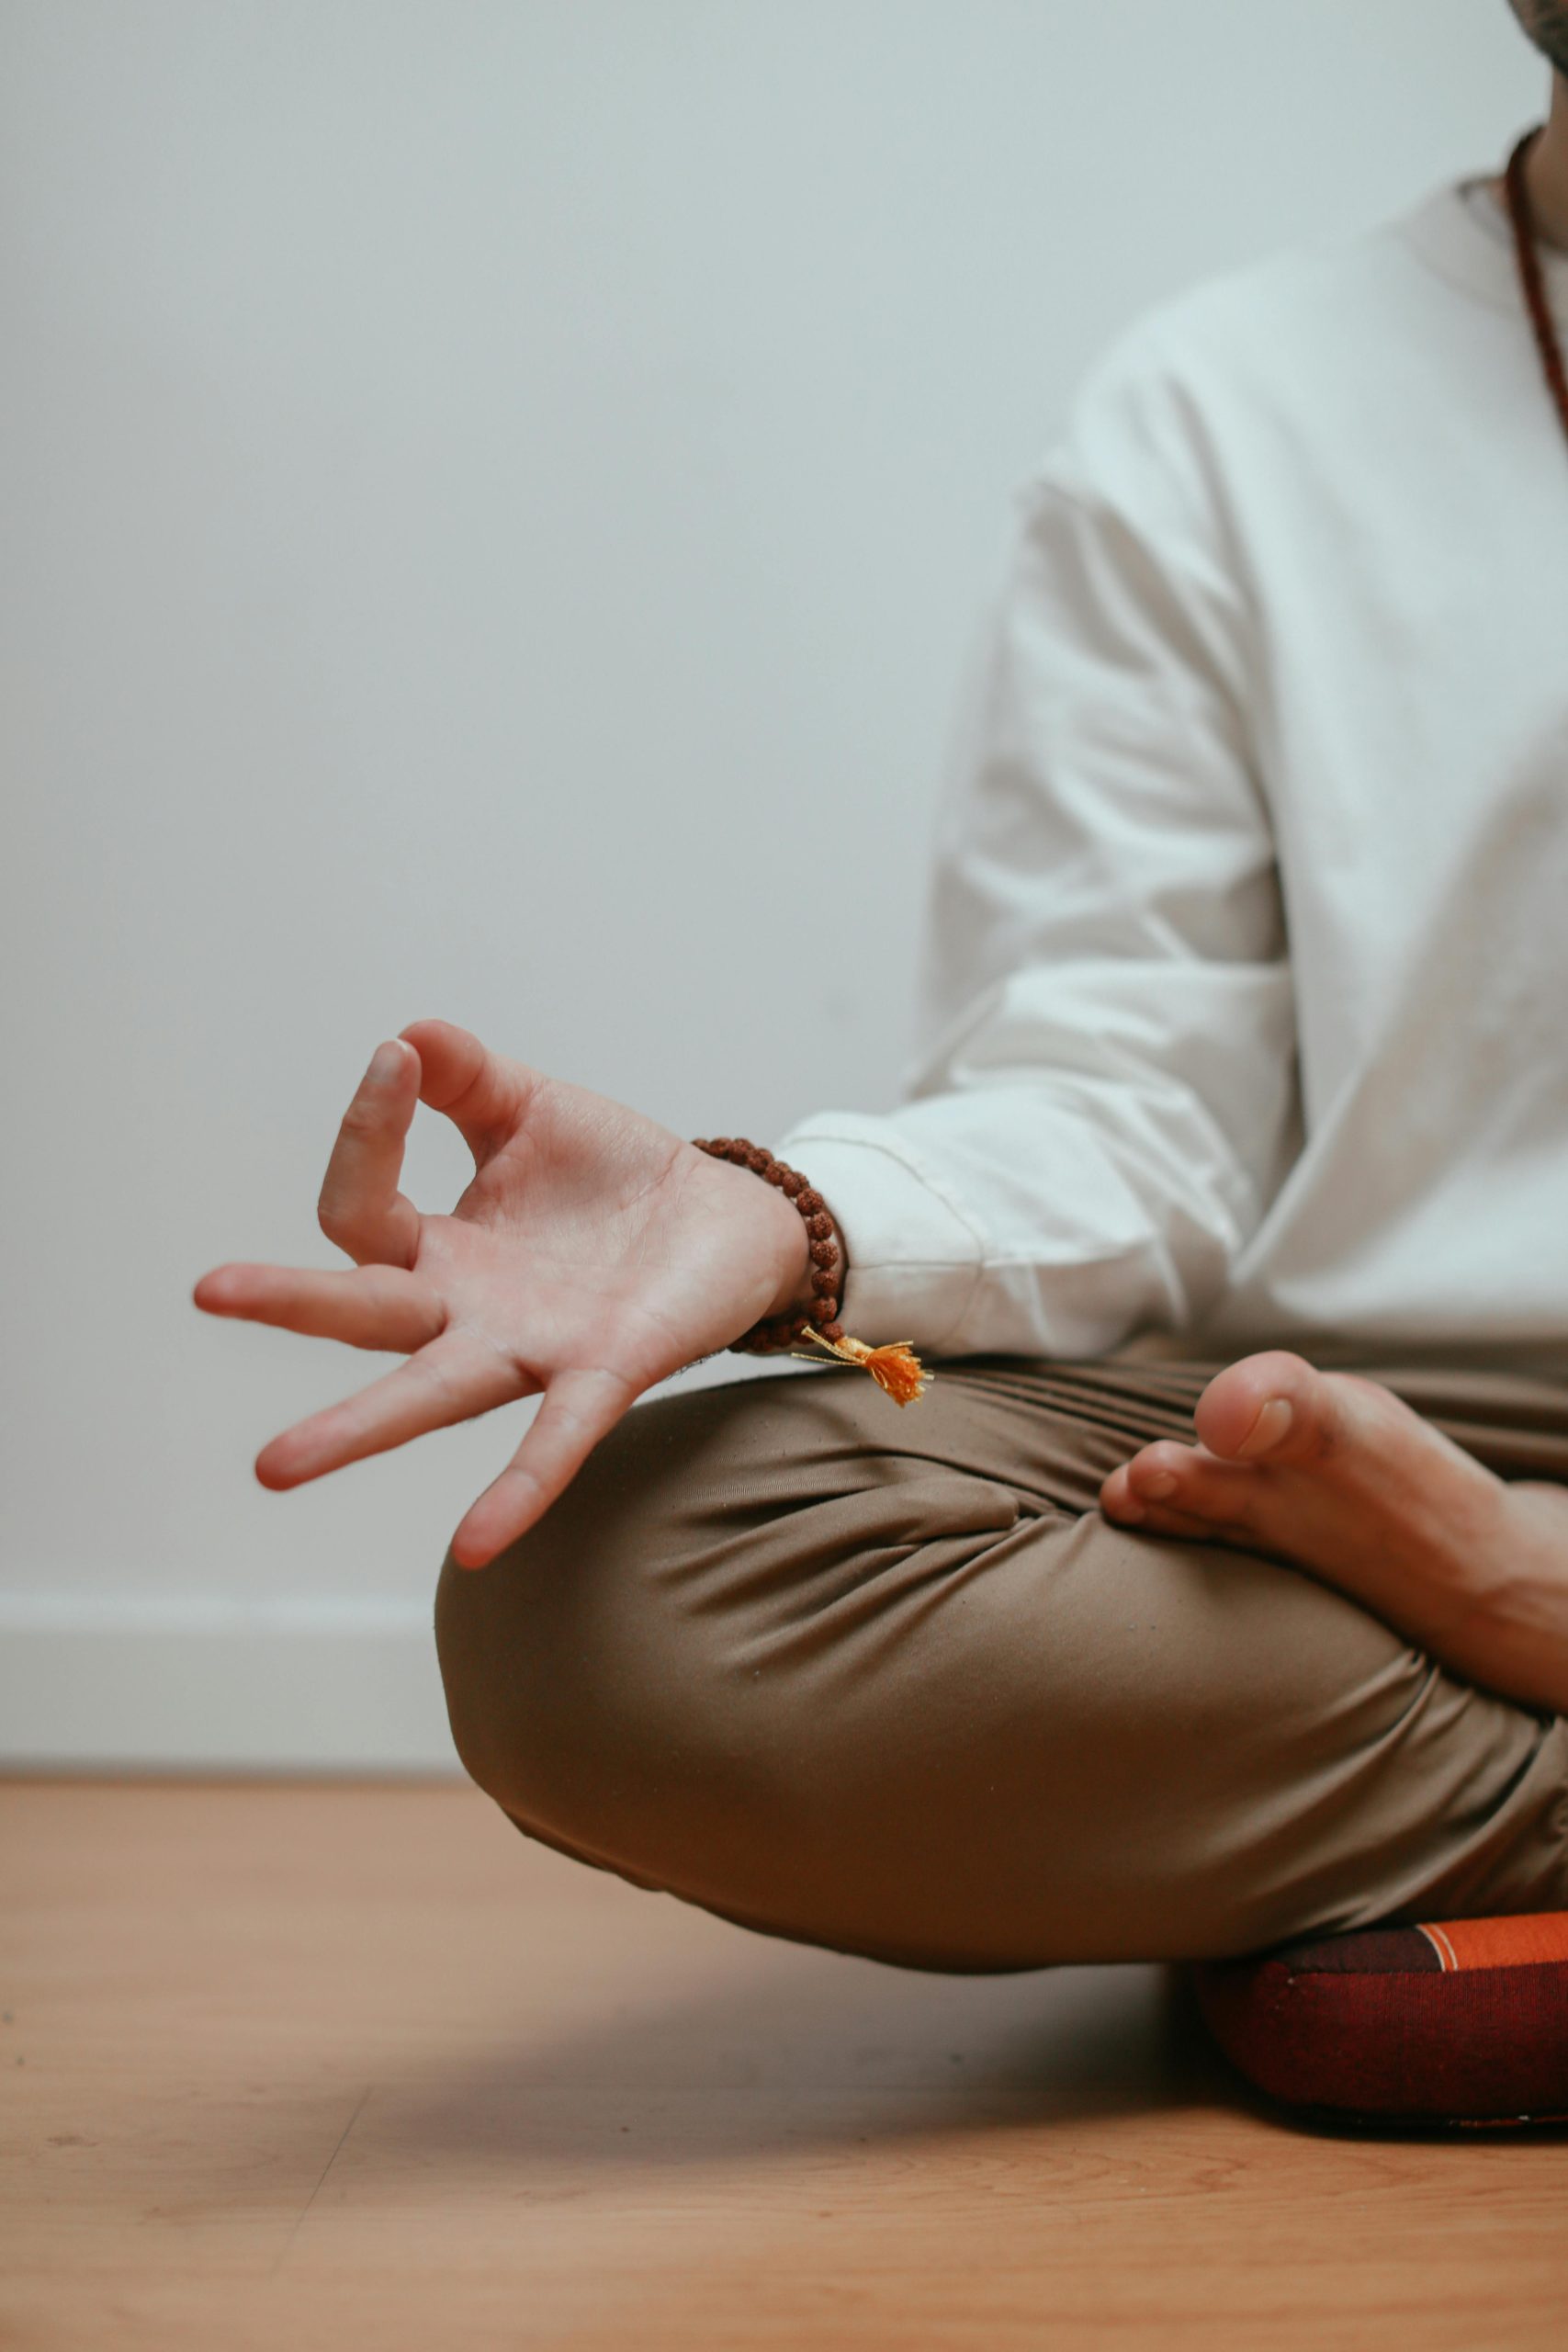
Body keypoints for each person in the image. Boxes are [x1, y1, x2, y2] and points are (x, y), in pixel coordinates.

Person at [196, 12, 1568, 1969]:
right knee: (612, 1604)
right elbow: (1133, 1076)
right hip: (1352, 1427)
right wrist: (785, 1214)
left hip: (1414, 1549)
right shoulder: (1232, 403)